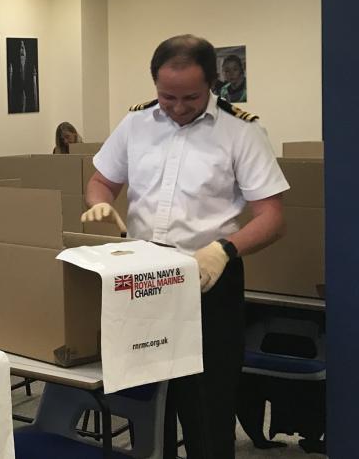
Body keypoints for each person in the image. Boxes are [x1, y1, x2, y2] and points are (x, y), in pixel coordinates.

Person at [81, 34, 288, 459]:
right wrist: (100, 205)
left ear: (213, 83)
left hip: (209, 281)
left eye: (189, 97)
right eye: (166, 96)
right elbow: (101, 181)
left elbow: (272, 218)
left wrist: (225, 249)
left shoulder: (241, 131)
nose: (176, 107)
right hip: (141, 282)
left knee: (207, 410)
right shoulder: (135, 124)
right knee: (148, 408)